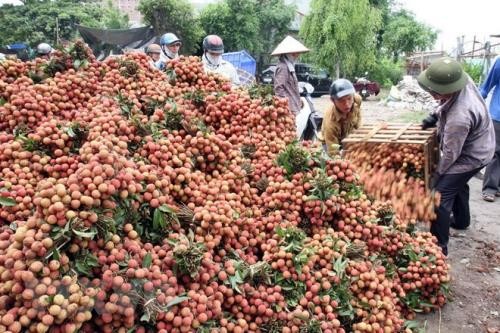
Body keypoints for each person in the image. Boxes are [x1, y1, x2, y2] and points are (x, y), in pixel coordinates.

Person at [417, 57, 495, 256]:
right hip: (482, 142)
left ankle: (438, 250)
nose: (432, 94)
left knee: (440, 196)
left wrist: (436, 178)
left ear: (448, 89)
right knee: (457, 182)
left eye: (434, 92)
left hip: (473, 155)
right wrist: (435, 115)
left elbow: (451, 155)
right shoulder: (460, 78)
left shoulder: (459, 118)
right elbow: (447, 101)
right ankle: (461, 221)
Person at [320, 79, 362, 155]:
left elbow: (358, 120)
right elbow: (333, 152)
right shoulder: (330, 123)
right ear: (333, 100)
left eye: (349, 99)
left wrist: (358, 137)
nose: (347, 104)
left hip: (348, 135)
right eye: (341, 101)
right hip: (330, 142)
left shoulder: (357, 99)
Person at [479, 56, 500, 202]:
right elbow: (487, 86)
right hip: (498, 114)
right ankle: (490, 188)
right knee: (495, 152)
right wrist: (476, 104)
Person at [271, 36, 309, 115]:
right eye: (294, 53)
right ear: (288, 54)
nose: (297, 55)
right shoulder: (283, 67)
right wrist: (285, 107)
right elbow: (279, 89)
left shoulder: (289, 66)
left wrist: (297, 100)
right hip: (288, 109)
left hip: (292, 107)